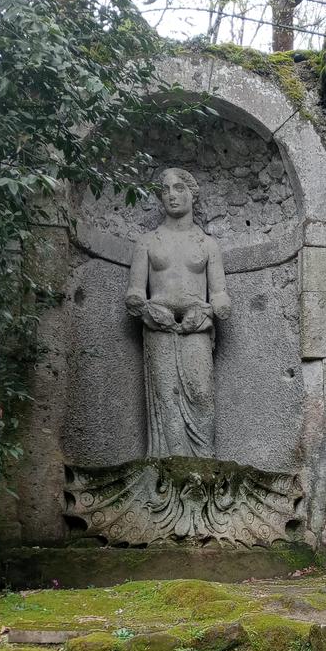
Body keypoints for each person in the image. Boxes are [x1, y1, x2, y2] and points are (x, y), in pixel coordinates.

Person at [125, 167, 231, 458]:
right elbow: (135, 291)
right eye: (166, 190)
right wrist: (144, 307)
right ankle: (165, 465)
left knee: (201, 394)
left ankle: (204, 464)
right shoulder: (147, 242)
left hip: (197, 326)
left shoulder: (208, 244)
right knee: (166, 397)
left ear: (192, 195)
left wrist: (217, 308)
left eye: (179, 188)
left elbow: (219, 292)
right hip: (158, 326)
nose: (172, 195)